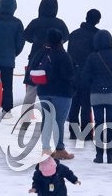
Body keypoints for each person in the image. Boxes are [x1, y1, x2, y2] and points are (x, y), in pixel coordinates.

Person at [79, 30, 112, 164]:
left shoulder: (92, 57)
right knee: (111, 123)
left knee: (99, 123)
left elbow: (85, 76)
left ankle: (99, 155)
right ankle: (110, 156)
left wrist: (94, 84)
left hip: (96, 94)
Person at [35, 28, 77, 159]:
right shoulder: (63, 55)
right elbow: (69, 75)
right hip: (62, 93)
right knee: (59, 121)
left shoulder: (42, 53)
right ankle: (59, 149)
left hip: (43, 91)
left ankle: (46, 149)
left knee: (47, 120)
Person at [23, 0, 70, 107]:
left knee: (31, 90)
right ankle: (50, 119)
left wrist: (36, 40)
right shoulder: (60, 23)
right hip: (55, 59)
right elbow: (66, 37)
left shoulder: (36, 22)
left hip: (36, 58)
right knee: (51, 90)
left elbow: (26, 36)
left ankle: (25, 119)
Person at [67, 9, 102, 141]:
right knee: (86, 106)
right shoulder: (97, 35)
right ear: (98, 20)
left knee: (74, 105)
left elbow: (69, 54)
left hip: (74, 74)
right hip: (88, 76)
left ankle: (73, 133)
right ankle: (86, 134)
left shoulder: (74, 34)